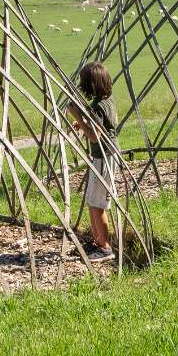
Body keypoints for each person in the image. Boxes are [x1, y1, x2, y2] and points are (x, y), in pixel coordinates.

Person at [66, 60, 121, 259]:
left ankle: (105, 247)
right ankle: (97, 240)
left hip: (104, 157)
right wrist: (83, 123)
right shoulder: (107, 100)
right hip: (104, 156)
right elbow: (103, 127)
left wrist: (78, 117)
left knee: (98, 205)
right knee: (92, 201)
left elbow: (96, 136)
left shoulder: (98, 107)